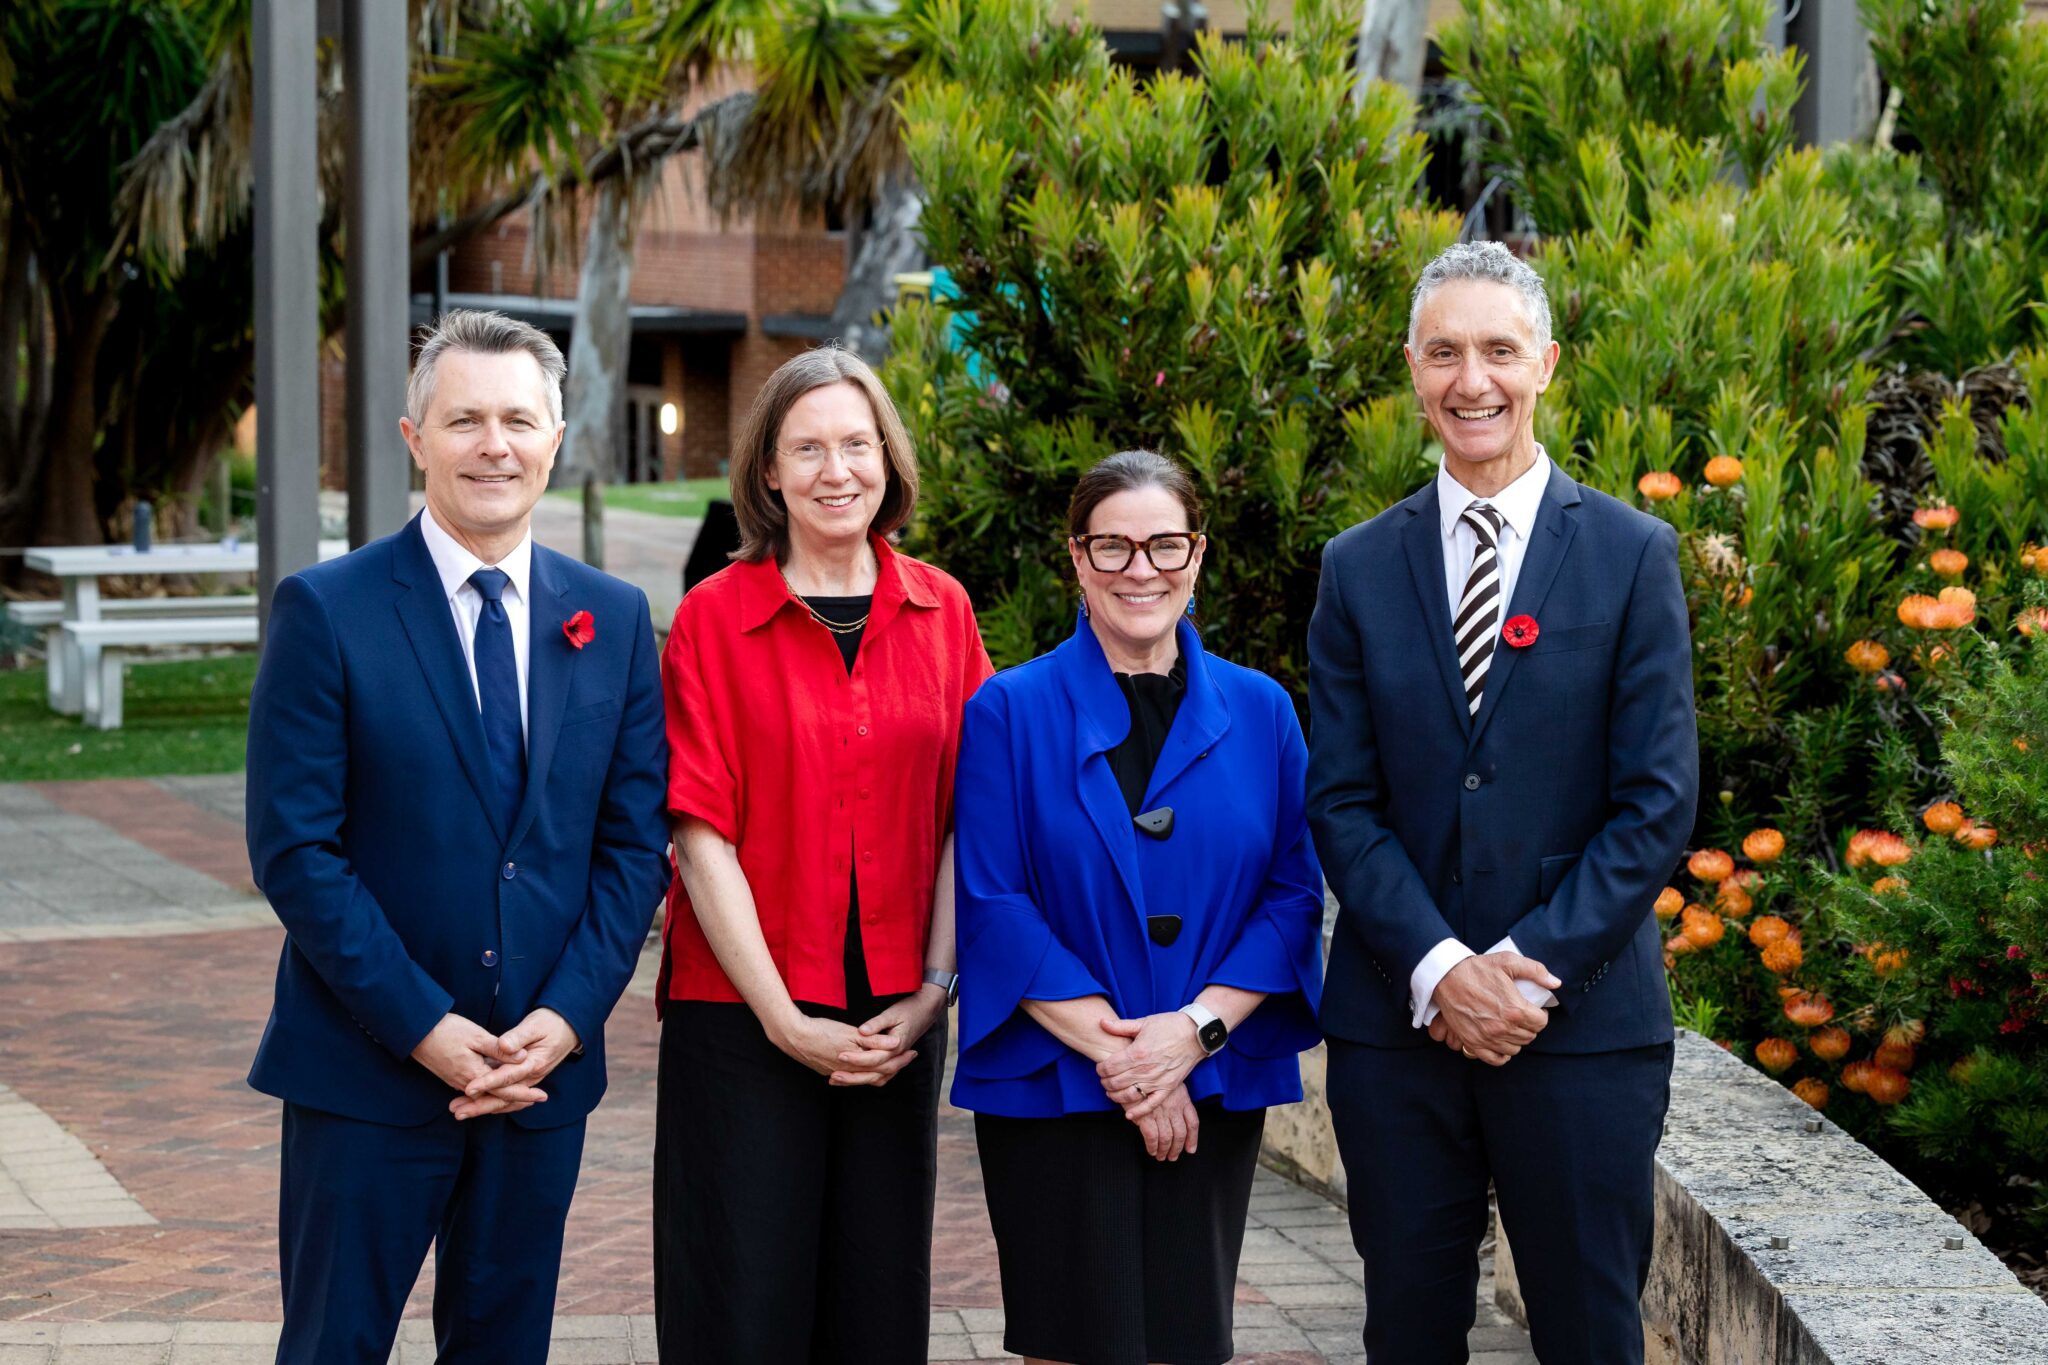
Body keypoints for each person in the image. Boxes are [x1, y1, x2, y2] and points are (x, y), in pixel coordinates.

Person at [244, 309, 672, 1365]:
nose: (495, 445)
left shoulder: (611, 618)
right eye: (465, 419)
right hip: (366, 1074)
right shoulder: (327, 610)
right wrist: (422, 1026)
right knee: (334, 1347)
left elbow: (629, 846)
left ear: (555, 439)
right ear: (413, 438)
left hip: (537, 1082)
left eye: (518, 420)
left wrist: (567, 1019)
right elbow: (296, 850)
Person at [1307, 240, 1699, 1362]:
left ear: (1545, 365)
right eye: (1442, 354)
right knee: (1409, 1330)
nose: (1469, 381)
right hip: (1398, 1027)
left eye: (1496, 352)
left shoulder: (1630, 557)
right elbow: (1339, 800)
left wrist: (1522, 969)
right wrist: (1438, 969)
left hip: (1577, 1029)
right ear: (1411, 369)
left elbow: (1655, 800)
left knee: (1587, 1331)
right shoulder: (1355, 567)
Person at [654, 346, 992, 1363]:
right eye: (807, 447)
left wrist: (935, 991)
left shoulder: (943, 611)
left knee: (876, 1301)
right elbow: (697, 830)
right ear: (767, 470)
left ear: (888, 460)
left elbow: (966, 819)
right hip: (741, 1014)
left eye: (856, 443)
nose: (834, 469)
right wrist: (780, 1018)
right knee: (739, 1302)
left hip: (895, 1013)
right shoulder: (713, 619)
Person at [952, 450, 1326, 1365]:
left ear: (1197, 555)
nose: (1140, 570)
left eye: (1164, 545)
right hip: (1054, 1082)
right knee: (1067, 1339)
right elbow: (994, 902)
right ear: (1076, 559)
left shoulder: (1264, 708)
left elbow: (1292, 895)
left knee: (1188, 1339)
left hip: (1213, 1075)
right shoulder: (1007, 708)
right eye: (1112, 547)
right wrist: (1129, 1058)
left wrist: (1187, 1038)